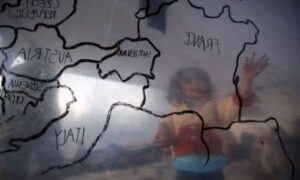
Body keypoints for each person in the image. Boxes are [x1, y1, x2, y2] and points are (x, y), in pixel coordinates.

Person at [154, 53, 269, 180]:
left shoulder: (214, 104)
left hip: (213, 166)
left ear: (207, 84)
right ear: (178, 87)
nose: (195, 83)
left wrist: (247, 80)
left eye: (200, 80)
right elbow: (165, 129)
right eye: (188, 81)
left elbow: (236, 102)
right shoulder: (173, 110)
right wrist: (163, 132)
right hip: (184, 167)